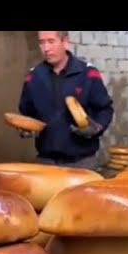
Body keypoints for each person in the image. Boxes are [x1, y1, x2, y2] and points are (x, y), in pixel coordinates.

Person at [16, 31, 114, 169]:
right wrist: (25, 128)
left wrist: (97, 127)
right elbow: (26, 112)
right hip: (46, 161)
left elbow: (105, 109)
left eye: (51, 41)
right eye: (41, 42)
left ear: (65, 42)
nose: (46, 48)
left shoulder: (88, 73)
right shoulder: (33, 77)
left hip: (82, 162)